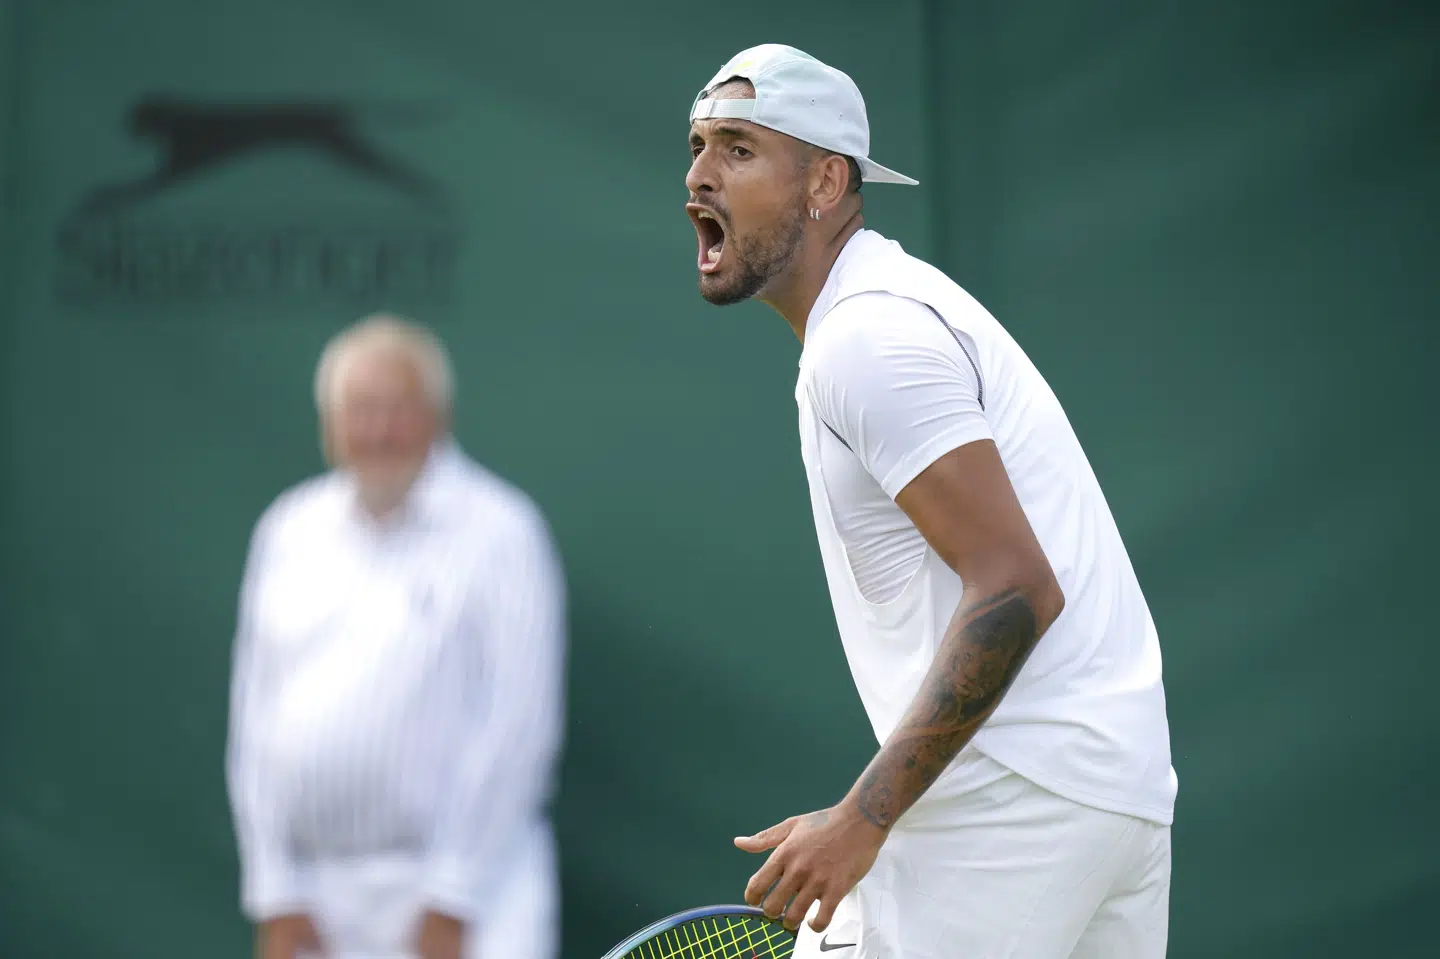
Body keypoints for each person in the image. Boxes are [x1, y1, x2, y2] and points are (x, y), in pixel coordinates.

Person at [683, 44, 1177, 958]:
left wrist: (864, 816)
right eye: (699, 144)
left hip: (1011, 802)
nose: (699, 177)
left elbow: (1017, 589)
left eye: (740, 149)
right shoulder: (891, 310)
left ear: (825, 182)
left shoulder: (867, 338)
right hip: (1115, 796)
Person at [225, 315, 566, 959]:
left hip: (472, 903)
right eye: (360, 409)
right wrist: (274, 890)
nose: (379, 431)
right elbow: (255, 722)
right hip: (317, 905)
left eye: (398, 410)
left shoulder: (502, 533)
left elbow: (520, 726)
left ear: (439, 417)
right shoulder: (286, 531)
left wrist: (452, 895)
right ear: (329, 423)